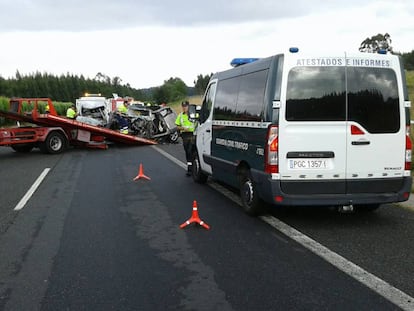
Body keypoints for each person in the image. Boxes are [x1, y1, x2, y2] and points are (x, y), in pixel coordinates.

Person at [175, 101, 196, 176]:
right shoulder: (180, 115)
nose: (184, 108)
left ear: (188, 106)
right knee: (187, 152)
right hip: (185, 135)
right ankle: (190, 169)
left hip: (193, 134)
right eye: (183, 106)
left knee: (192, 151)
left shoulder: (194, 115)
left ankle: (194, 168)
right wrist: (182, 128)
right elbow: (177, 126)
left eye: (186, 106)